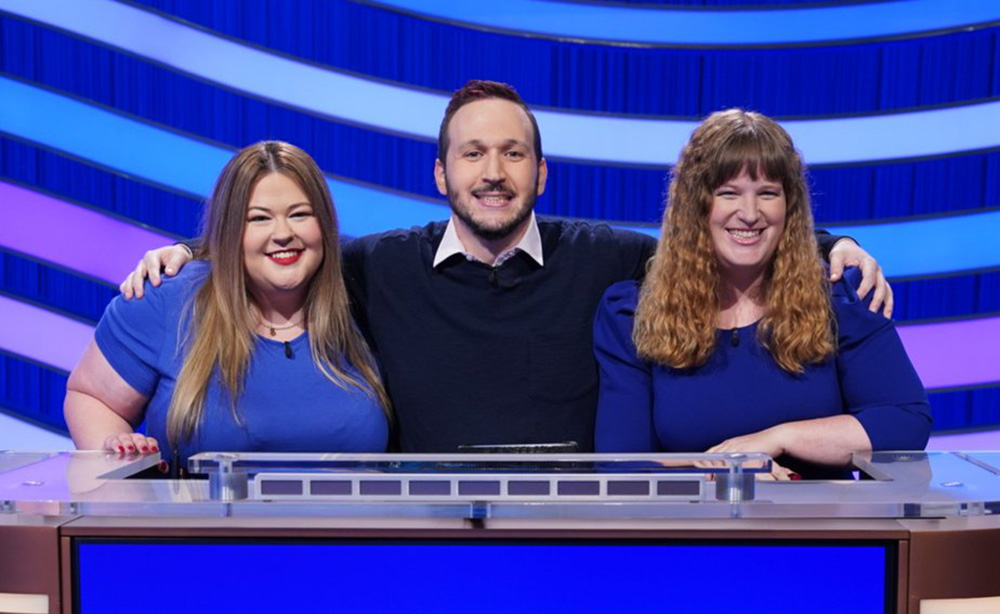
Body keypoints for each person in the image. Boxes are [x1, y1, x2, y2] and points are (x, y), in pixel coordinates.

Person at [118, 81, 890, 453]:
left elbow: (722, 234)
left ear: (541, 173)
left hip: (572, 541)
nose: (494, 171)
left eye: (513, 153)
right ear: (441, 175)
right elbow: (288, 243)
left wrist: (829, 246)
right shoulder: (380, 267)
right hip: (419, 543)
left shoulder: (608, 261)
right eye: (474, 154)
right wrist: (192, 251)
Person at [593, 110, 930, 478]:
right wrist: (729, 471)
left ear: (790, 207)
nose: (750, 213)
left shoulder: (841, 297)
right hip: (690, 529)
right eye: (729, 194)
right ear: (695, 207)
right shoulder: (631, 314)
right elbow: (623, 466)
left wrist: (780, 438)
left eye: (768, 193)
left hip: (820, 529)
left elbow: (904, 423)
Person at [65, 141, 390, 468]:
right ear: (230, 229)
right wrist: (119, 461)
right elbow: (91, 397)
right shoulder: (167, 299)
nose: (283, 233)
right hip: (200, 519)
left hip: (348, 520)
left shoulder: (370, 295)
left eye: (300, 214)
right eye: (259, 218)